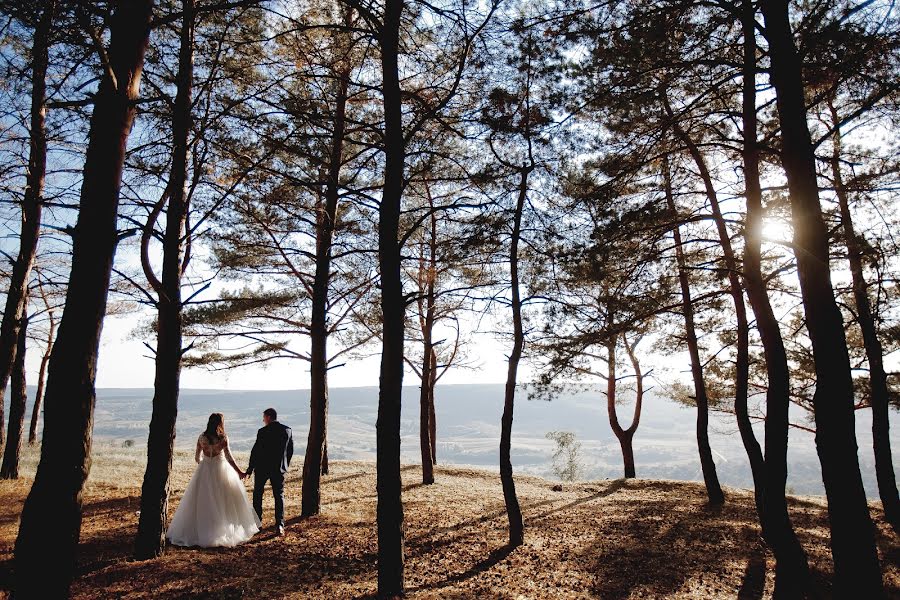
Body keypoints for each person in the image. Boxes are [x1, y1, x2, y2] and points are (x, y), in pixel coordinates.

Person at [166, 413, 261, 547]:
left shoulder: (201, 437)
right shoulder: (223, 438)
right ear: (220, 423)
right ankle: (221, 529)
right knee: (224, 501)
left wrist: (204, 464)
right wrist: (239, 472)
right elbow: (229, 458)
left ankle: (201, 530)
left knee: (201, 501)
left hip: (205, 470)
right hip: (221, 470)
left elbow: (197, 457)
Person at [247, 407, 293, 535]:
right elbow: (289, 451)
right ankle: (279, 525)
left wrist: (250, 468)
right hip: (278, 469)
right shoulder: (287, 430)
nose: (263, 420)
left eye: (264, 417)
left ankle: (258, 523)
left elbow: (255, 451)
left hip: (262, 468)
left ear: (268, 417)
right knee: (279, 496)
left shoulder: (262, 431)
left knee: (258, 495)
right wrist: (285, 466)